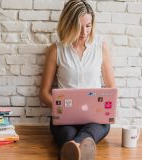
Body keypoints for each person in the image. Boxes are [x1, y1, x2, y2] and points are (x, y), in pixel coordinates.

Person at [39, 0, 115, 159]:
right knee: (67, 133)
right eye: (78, 26)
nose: (84, 32)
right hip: (64, 118)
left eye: (88, 26)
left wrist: (106, 106)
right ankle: (82, 149)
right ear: (68, 24)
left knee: (90, 132)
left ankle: (74, 148)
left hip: (94, 119)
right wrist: (62, 107)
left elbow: (111, 89)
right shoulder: (56, 50)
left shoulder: (100, 47)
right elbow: (44, 93)